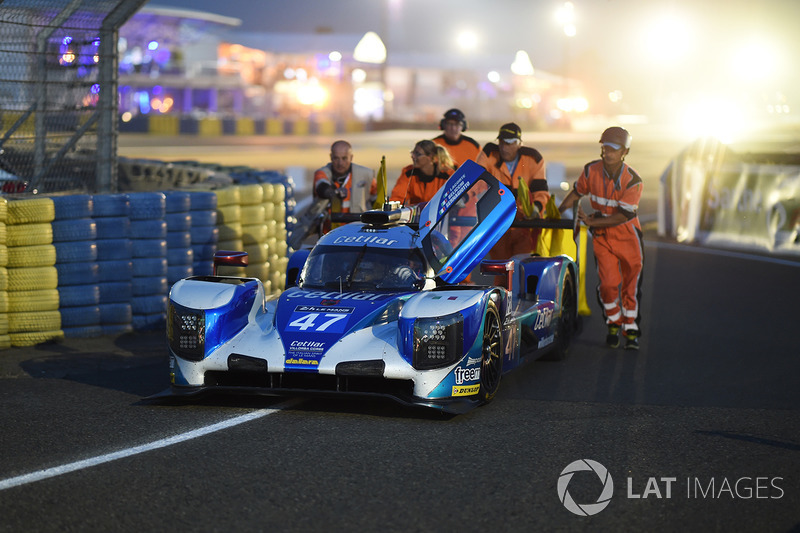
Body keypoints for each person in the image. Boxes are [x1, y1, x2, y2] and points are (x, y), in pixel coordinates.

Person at [558, 126, 644, 350]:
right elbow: (577, 192)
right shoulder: (590, 170)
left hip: (627, 235)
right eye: (605, 147)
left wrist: (592, 222)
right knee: (607, 285)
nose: (608, 152)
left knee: (630, 286)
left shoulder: (633, 180)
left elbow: (624, 215)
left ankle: (631, 328)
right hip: (602, 237)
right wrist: (557, 211)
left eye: (614, 149)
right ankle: (613, 324)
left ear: (624, 152)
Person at [476, 122, 549, 266]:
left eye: (509, 143)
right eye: (502, 142)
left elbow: (540, 190)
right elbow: (476, 181)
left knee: (522, 268)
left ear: (519, 143)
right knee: (500, 268)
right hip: (498, 223)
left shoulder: (533, 158)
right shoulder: (489, 153)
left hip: (524, 225)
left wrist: (536, 208)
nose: (504, 147)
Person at [313, 140, 377, 232]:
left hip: (358, 232)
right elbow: (321, 187)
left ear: (351, 157)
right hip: (329, 234)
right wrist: (333, 193)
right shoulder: (321, 173)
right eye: (336, 158)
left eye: (344, 158)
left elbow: (378, 200)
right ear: (331, 157)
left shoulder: (367, 175)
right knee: (297, 237)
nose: (340, 163)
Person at [389, 139, 455, 207]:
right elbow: (397, 197)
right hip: (416, 215)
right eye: (413, 153)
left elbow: (458, 197)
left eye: (418, 154)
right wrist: (393, 207)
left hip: (440, 215)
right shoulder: (408, 173)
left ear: (430, 157)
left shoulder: (447, 175)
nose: (413, 156)